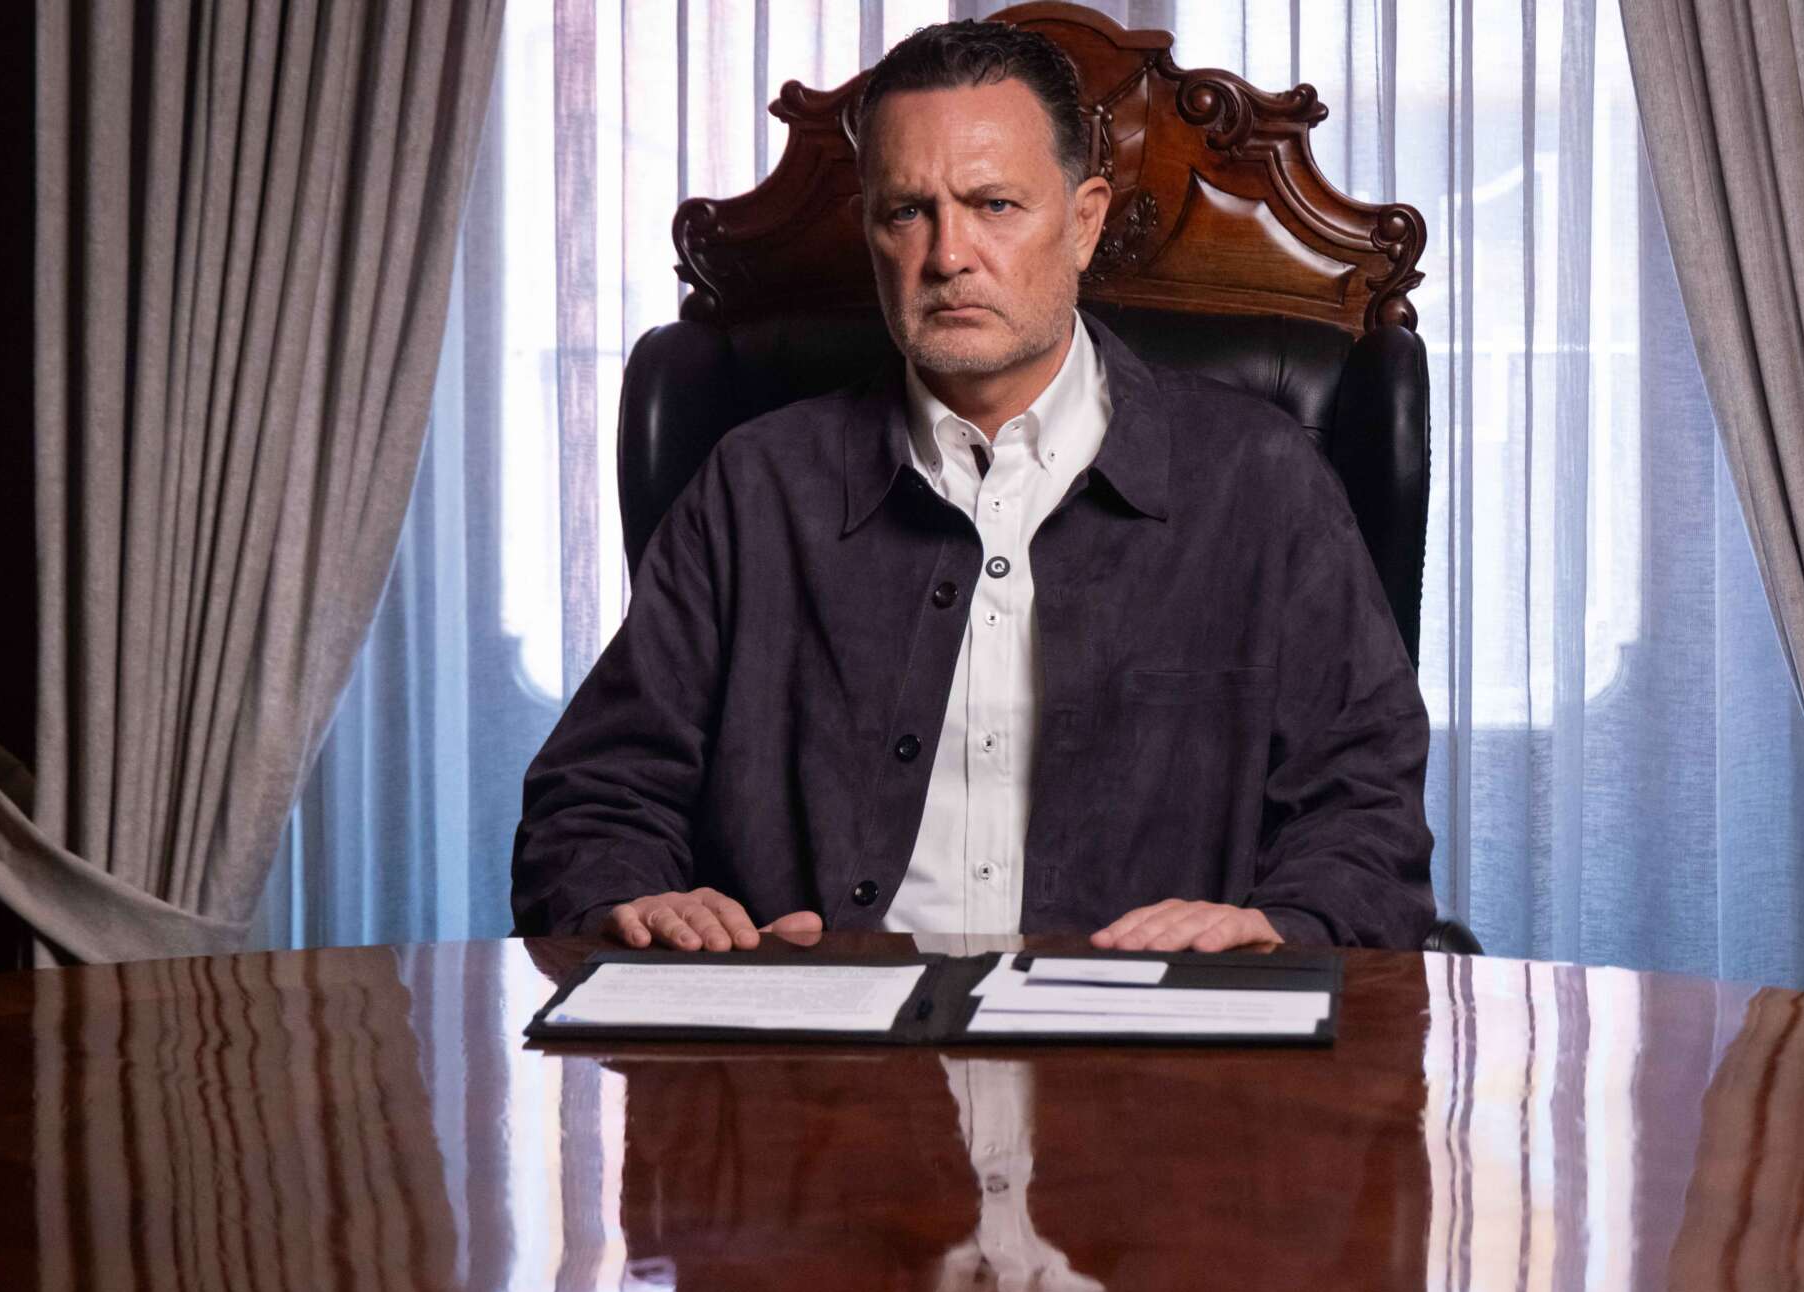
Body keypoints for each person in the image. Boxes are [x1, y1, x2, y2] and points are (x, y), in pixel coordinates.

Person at [511, 18, 1434, 954]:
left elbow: (1367, 817)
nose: (948, 255)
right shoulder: (755, 488)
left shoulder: (1258, 481)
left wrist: (1277, 929)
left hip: (1145, 1031)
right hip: (812, 1028)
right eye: (907, 212)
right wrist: (643, 903)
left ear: (1084, 222)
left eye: (994, 204)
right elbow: (591, 803)